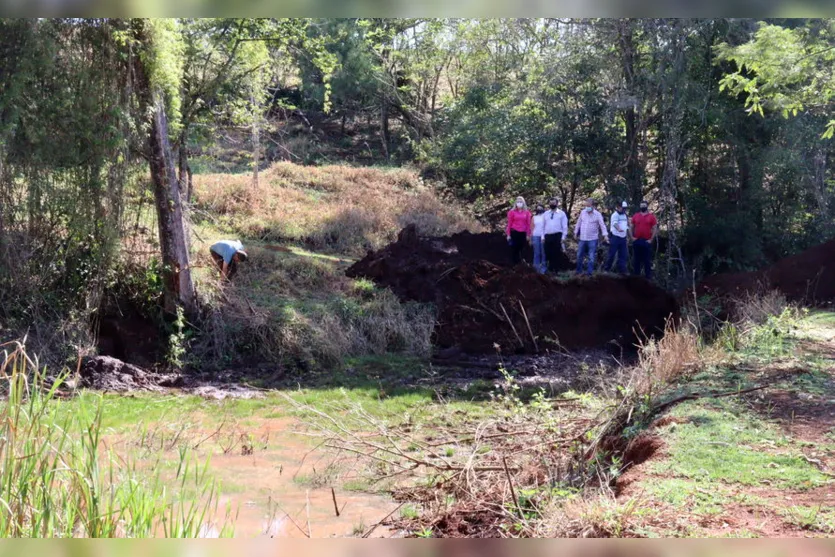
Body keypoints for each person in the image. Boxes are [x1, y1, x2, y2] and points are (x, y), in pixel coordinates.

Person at [573, 198, 608, 276]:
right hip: (582, 238)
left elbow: (602, 226)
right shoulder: (583, 212)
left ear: (593, 206)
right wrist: (575, 233)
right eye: (586, 205)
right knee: (579, 255)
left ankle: (589, 273)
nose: (587, 207)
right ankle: (578, 271)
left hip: (592, 239)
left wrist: (605, 235)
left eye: (588, 206)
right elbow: (578, 223)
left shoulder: (598, 214)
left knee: (591, 256)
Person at [631, 200, 658, 280]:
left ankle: (648, 278)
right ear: (640, 206)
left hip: (646, 242)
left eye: (644, 205)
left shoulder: (651, 217)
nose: (642, 207)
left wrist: (651, 239)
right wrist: (632, 237)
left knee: (647, 261)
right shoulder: (636, 216)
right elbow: (631, 226)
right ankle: (636, 278)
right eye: (641, 205)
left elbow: (655, 228)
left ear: (647, 206)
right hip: (637, 241)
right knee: (636, 260)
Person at [542, 197, 568, 273]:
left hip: (557, 236)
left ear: (557, 204)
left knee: (556, 253)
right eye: (550, 203)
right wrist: (542, 237)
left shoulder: (561, 214)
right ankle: (549, 270)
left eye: (553, 203)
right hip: (548, 236)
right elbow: (542, 226)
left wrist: (563, 237)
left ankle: (556, 271)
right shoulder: (545, 214)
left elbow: (565, 226)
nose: (552, 204)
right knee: (548, 253)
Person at [604, 201, 630, 274]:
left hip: (623, 238)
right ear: (618, 207)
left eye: (625, 208)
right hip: (615, 237)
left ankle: (622, 271)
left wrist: (627, 236)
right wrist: (618, 229)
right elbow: (615, 223)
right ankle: (606, 270)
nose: (624, 210)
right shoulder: (615, 215)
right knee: (611, 254)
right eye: (623, 208)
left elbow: (626, 226)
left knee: (623, 255)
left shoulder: (625, 215)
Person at [506, 196, 531, 265]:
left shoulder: (527, 213)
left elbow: (528, 224)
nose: (519, 203)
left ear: (523, 203)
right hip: (514, 232)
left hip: (523, 233)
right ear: (515, 203)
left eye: (521, 202)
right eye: (518, 202)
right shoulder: (512, 212)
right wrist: (508, 234)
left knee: (522, 248)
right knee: (514, 249)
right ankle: (515, 265)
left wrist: (528, 234)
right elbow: (509, 223)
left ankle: (521, 263)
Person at [530, 203, 547, 273]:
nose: (539, 209)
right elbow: (531, 228)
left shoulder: (546, 216)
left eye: (540, 208)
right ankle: (536, 269)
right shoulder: (534, 217)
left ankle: (543, 269)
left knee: (544, 253)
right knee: (536, 253)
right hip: (535, 236)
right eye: (538, 208)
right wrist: (531, 238)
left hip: (544, 236)